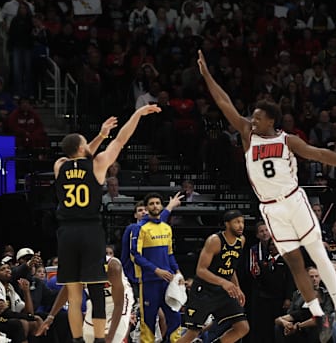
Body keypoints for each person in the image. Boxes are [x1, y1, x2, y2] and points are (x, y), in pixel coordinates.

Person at [197, 49, 336, 333]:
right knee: (294, 263)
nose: (252, 121)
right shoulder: (247, 135)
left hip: (294, 200)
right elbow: (223, 102)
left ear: (271, 120)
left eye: (258, 118)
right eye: (252, 118)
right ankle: (318, 313)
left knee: (317, 252)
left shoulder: (287, 140)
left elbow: (320, 154)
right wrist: (207, 75)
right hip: (269, 207)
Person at [54, 107, 159, 343]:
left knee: (73, 292)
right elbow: (121, 138)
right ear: (83, 148)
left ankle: (78, 340)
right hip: (90, 231)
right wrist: (137, 115)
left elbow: (79, 154)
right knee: (97, 291)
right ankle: (101, 341)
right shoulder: (98, 164)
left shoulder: (59, 166)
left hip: (66, 232)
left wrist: (98, 137)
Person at [177, 210, 249, 343]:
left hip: (224, 291)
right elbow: (201, 270)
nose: (241, 226)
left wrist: (237, 288)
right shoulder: (214, 241)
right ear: (227, 224)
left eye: (242, 222)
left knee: (242, 328)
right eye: (237, 222)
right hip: (205, 290)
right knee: (192, 333)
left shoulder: (241, 241)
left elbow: (231, 268)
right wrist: (223, 282)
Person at [38, 252, 134, 343]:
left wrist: (109, 338)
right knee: (89, 338)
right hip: (96, 303)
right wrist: (50, 317)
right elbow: (67, 289)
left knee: (114, 338)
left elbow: (119, 304)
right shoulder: (79, 268)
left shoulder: (112, 267)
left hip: (118, 301)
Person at [131, 193, 182, 342]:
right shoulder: (140, 228)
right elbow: (135, 255)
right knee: (148, 320)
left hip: (168, 282)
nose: (155, 206)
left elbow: (170, 254)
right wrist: (156, 270)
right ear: (146, 208)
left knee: (175, 317)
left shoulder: (167, 228)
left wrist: (178, 273)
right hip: (149, 282)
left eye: (158, 203)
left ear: (161, 205)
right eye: (151, 203)